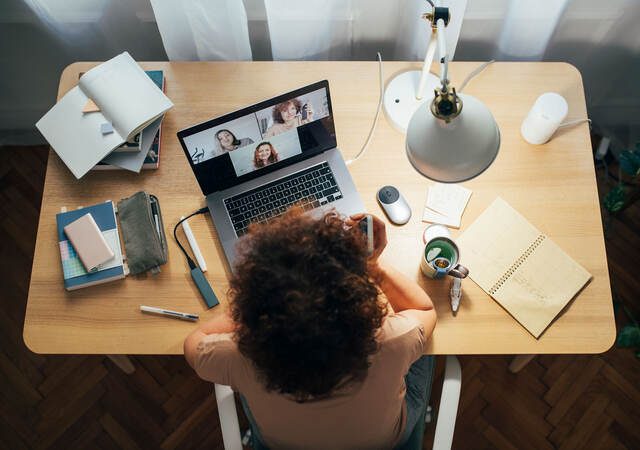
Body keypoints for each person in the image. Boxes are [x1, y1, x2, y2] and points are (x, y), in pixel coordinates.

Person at [184, 208, 437, 449]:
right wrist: (372, 266)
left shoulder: (237, 357)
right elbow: (425, 310)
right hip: (384, 442)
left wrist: (252, 305)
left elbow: (194, 341)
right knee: (425, 349)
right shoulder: (393, 340)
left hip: (282, 444)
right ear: (357, 300)